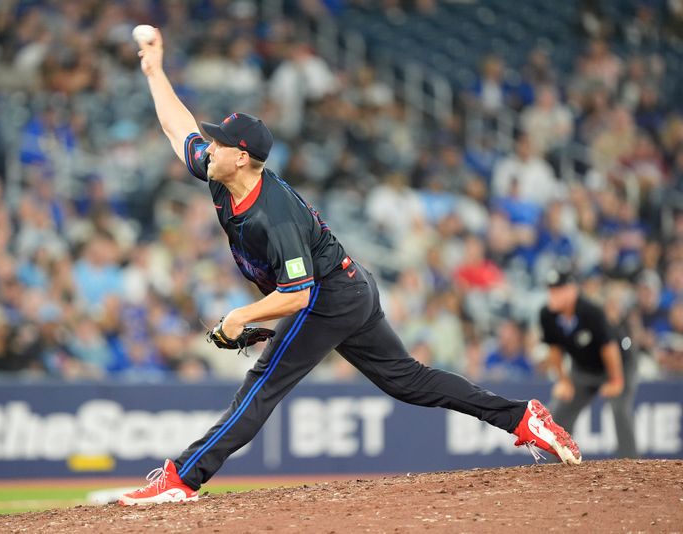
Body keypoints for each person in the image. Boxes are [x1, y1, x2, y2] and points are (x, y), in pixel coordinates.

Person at [119, 29, 582, 506]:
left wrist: (239, 317)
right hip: (349, 284)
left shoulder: (270, 213)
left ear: (241, 157)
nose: (207, 148)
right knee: (409, 381)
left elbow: (298, 295)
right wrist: (154, 71)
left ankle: (182, 479)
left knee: (263, 384)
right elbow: (181, 129)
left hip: (329, 295)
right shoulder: (224, 175)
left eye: (218, 144)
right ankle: (523, 418)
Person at [540, 266, 637, 459]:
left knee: (620, 409)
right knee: (559, 410)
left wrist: (616, 380)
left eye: (558, 290)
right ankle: (557, 463)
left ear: (572, 290)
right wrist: (563, 380)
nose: (553, 295)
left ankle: (631, 462)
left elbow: (609, 348)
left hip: (618, 366)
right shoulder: (547, 314)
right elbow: (555, 350)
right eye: (551, 290)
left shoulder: (591, 311)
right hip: (583, 370)